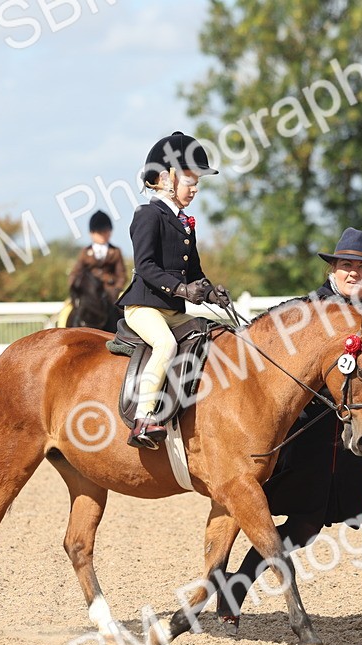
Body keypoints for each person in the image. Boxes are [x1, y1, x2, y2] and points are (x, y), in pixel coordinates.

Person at [215, 227, 362, 645]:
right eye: (346, 266)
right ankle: (233, 591)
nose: (353, 273)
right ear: (334, 269)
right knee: (303, 526)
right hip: (310, 439)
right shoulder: (305, 312)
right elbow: (270, 360)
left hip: (356, 440)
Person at [116, 131, 232, 448]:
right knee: (165, 345)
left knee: (215, 336)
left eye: (197, 182)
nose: (195, 188)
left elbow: (194, 271)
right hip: (144, 307)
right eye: (190, 180)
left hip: (172, 311)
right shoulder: (147, 215)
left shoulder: (184, 223)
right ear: (167, 178)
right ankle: (143, 419)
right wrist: (181, 290)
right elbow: (146, 266)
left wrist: (210, 294)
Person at [56, 210, 127, 327]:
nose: (104, 235)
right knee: (66, 311)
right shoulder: (85, 252)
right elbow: (75, 272)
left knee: (124, 309)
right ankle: (62, 328)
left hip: (110, 291)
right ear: (92, 233)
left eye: (106, 231)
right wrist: (74, 287)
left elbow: (122, 274)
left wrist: (116, 288)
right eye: (100, 232)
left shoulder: (115, 251)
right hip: (88, 292)